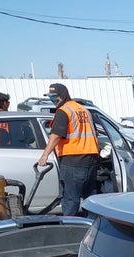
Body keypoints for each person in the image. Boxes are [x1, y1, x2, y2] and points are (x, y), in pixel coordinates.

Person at [37, 83, 100, 216]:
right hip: (91, 159)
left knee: (71, 199)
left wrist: (45, 155)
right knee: (90, 198)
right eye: (51, 97)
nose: (53, 100)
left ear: (64, 94)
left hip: (73, 160)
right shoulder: (84, 110)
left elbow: (56, 136)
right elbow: (95, 133)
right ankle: (92, 227)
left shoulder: (63, 111)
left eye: (55, 97)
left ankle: (70, 229)